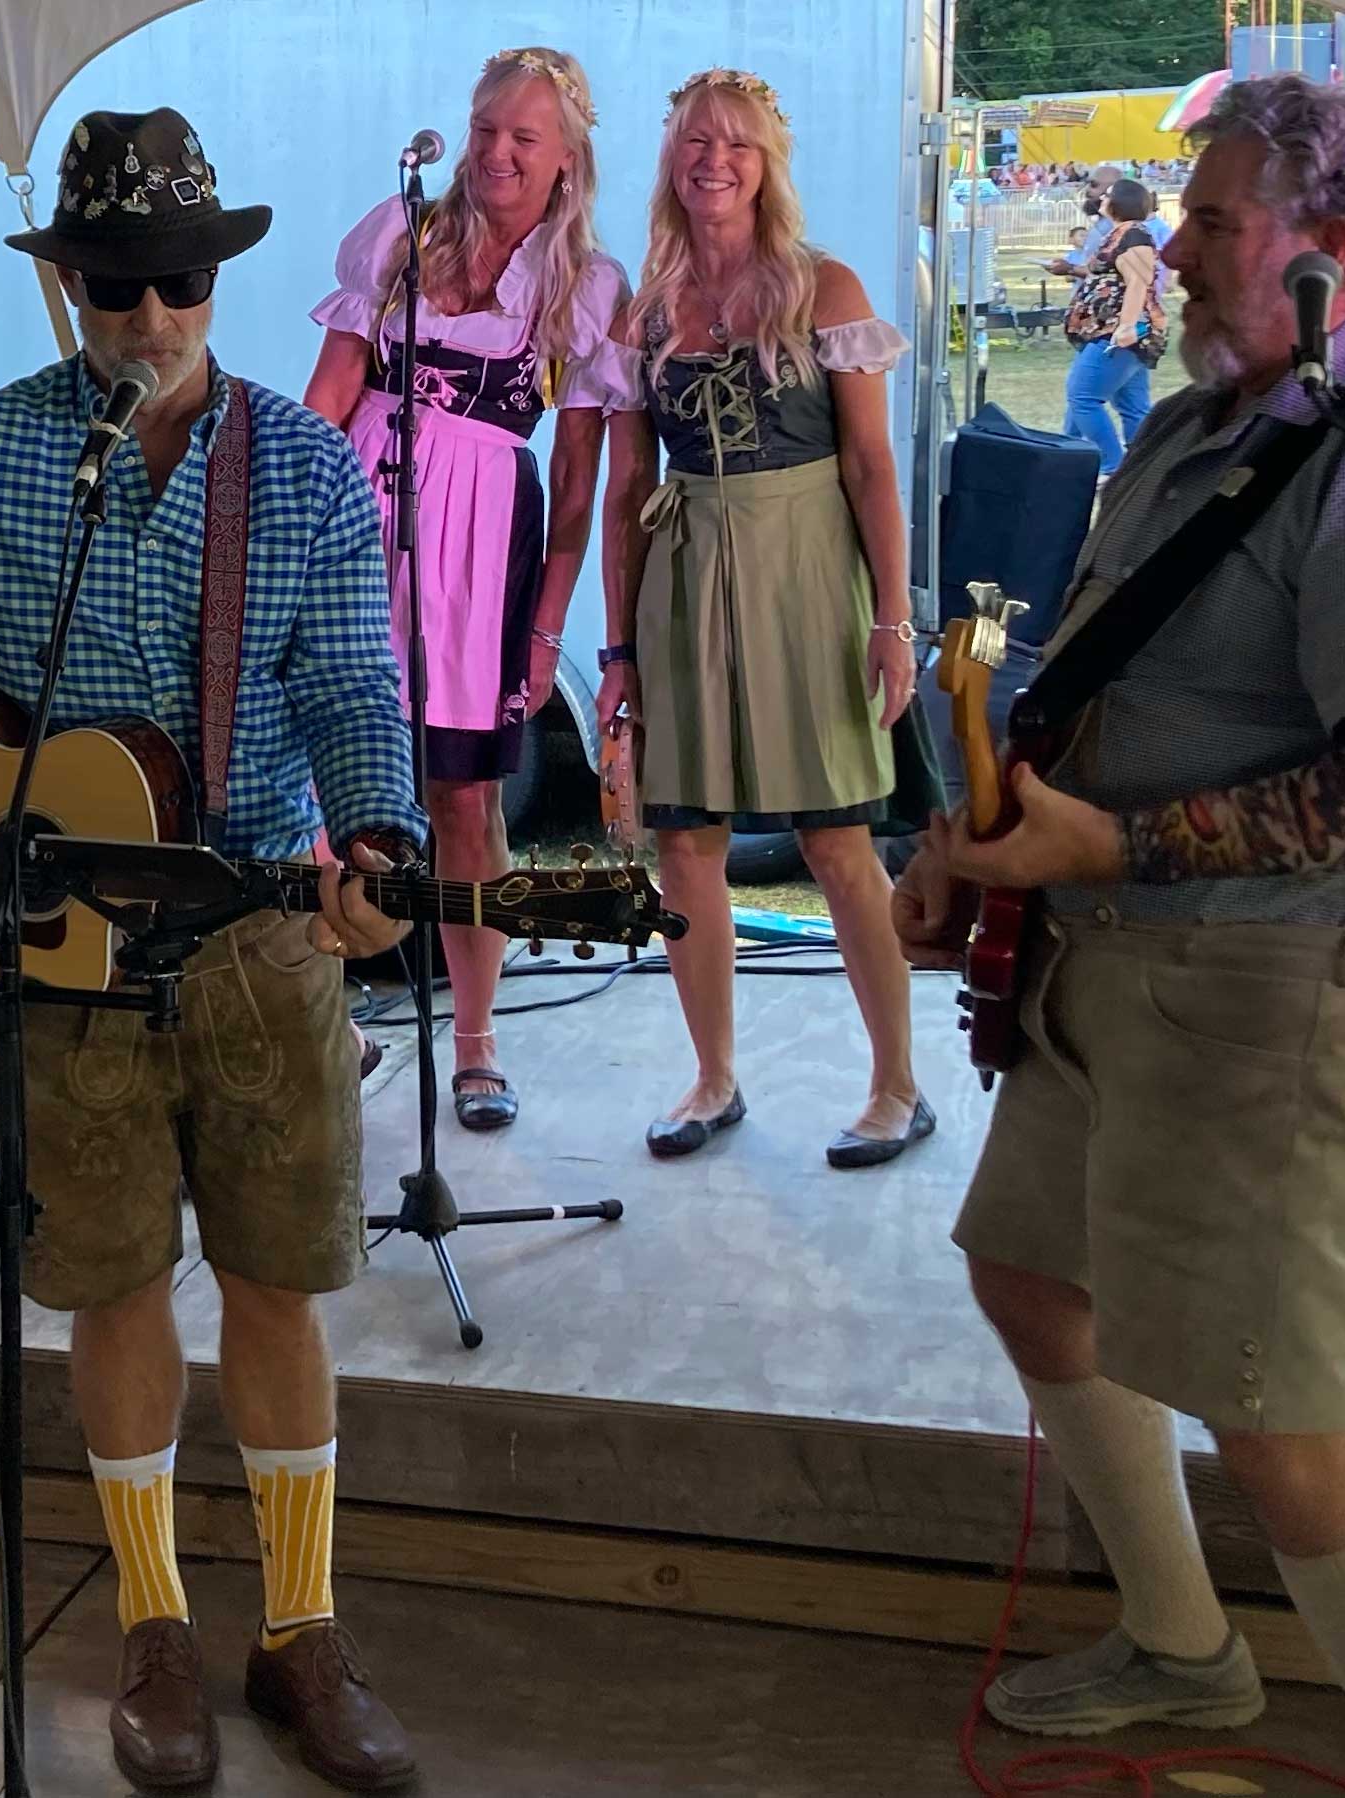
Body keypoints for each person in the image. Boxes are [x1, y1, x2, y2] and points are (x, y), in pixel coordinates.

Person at [0, 109, 428, 1794]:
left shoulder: (306, 465)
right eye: (115, 285)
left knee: (276, 1279)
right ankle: (153, 1625)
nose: (149, 315)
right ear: (68, 290)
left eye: (177, 280)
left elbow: (354, 686)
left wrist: (380, 842)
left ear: (217, 279)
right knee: (109, 1284)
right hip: (54, 944)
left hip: (259, 934)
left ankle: (303, 1629)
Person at [895, 73, 1345, 1796]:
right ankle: (1182, 1645)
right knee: (1032, 1273)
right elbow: (1111, 685)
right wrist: (979, 845)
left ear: (1331, 253)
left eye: (1211, 222)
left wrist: (1105, 843)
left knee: (1277, 1418)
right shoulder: (1193, 426)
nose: (1167, 250)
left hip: (1280, 990)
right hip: (1117, 947)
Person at [600, 68, 943, 1169]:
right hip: (685, 572)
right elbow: (623, 488)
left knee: (834, 837)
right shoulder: (645, 311)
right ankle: (711, 1077)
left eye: (736, 144)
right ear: (671, 159)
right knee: (683, 839)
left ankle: (896, 1085)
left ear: (767, 165)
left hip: (805, 572)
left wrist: (891, 619)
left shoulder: (822, 287)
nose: (715, 161)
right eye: (696, 142)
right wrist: (617, 648)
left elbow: (871, 466)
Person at [305, 46, 631, 1134]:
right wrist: (292, 532)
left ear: (565, 157)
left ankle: (477, 1040)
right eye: (487, 128)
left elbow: (578, 480)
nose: (497, 152)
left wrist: (547, 627)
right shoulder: (401, 234)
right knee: (316, 779)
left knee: (462, 797)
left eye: (523, 137)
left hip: (485, 541)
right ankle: (321, 1014)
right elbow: (329, 395)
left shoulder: (584, 285)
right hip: (362, 515)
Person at [1061, 178, 1167, 474]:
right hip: (1115, 331)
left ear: (1122, 202)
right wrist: (1069, 269)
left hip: (1120, 333)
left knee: (1082, 397)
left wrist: (1127, 326)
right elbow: (1105, 274)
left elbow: (1138, 283)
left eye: (1108, 195)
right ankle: (1139, 469)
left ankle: (1112, 465)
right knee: (1132, 406)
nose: (1102, 198)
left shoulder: (1134, 235)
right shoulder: (1118, 233)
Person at [1043, 161, 1123, 278]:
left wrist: (1070, 269)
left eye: (1094, 184)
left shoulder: (1117, 228)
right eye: (1087, 183)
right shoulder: (1102, 225)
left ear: (1113, 191)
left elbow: (1106, 273)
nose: (1087, 190)